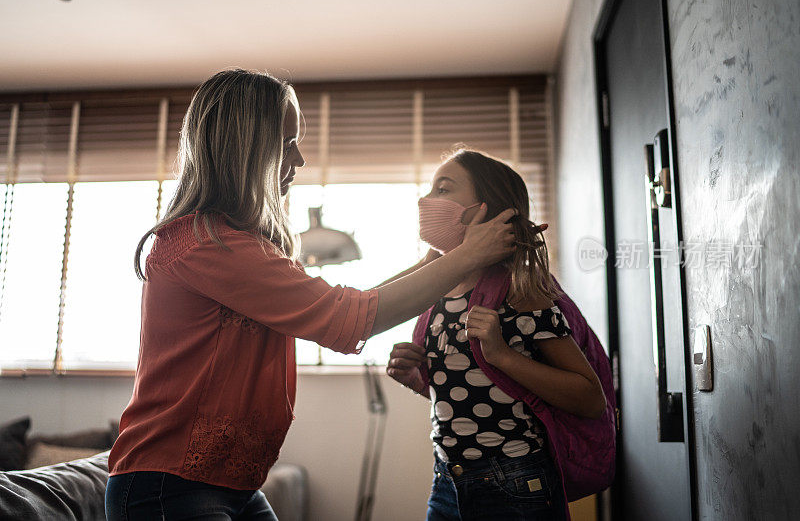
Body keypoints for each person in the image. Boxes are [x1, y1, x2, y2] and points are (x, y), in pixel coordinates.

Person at [104, 70, 517, 521]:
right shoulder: (207, 245)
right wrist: (465, 257)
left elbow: (341, 309)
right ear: (246, 149)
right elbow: (349, 317)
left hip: (229, 483)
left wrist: (432, 262)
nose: (299, 159)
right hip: (170, 484)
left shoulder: (240, 245)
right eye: (286, 143)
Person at [386, 148, 607, 521]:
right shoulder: (437, 291)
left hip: (516, 485)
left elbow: (589, 399)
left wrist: (503, 354)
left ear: (484, 208)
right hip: (447, 483)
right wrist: (416, 378)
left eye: (443, 189)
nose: (427, 199)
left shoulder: (522, 290)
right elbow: (476, 393)